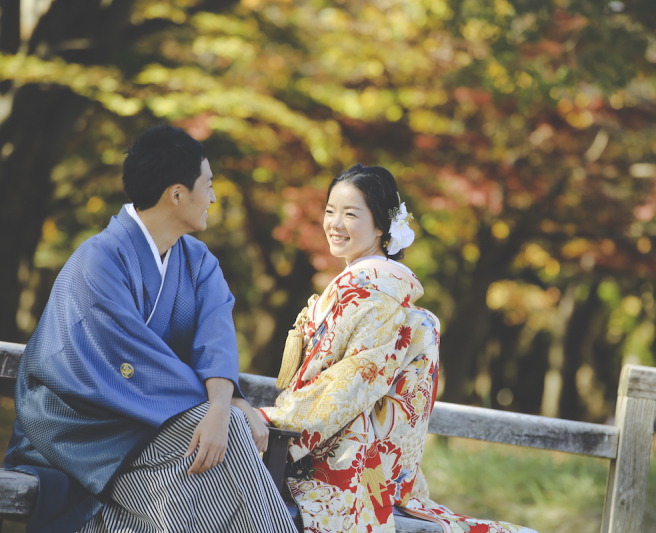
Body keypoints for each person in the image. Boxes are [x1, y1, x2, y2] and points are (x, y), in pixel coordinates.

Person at [4, 125, 296, 533]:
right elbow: (131, 357)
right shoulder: (98, 260)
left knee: (200, 479)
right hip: (82, 428)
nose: (212, 197)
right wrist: (223, 406)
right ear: (177, 194)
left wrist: (222, 403)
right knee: (221, 448)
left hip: (153, 418)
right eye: (207, 185)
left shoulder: (198, 260)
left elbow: (216, 339)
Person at [258, 164, 537, 533]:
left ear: (380, 226)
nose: (335, 223)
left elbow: (354, 381)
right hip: (360, 457)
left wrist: (274, 420)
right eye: (330, 211)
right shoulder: (371, 286)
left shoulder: (372, 292)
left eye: (350, 214)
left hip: (342, 462)